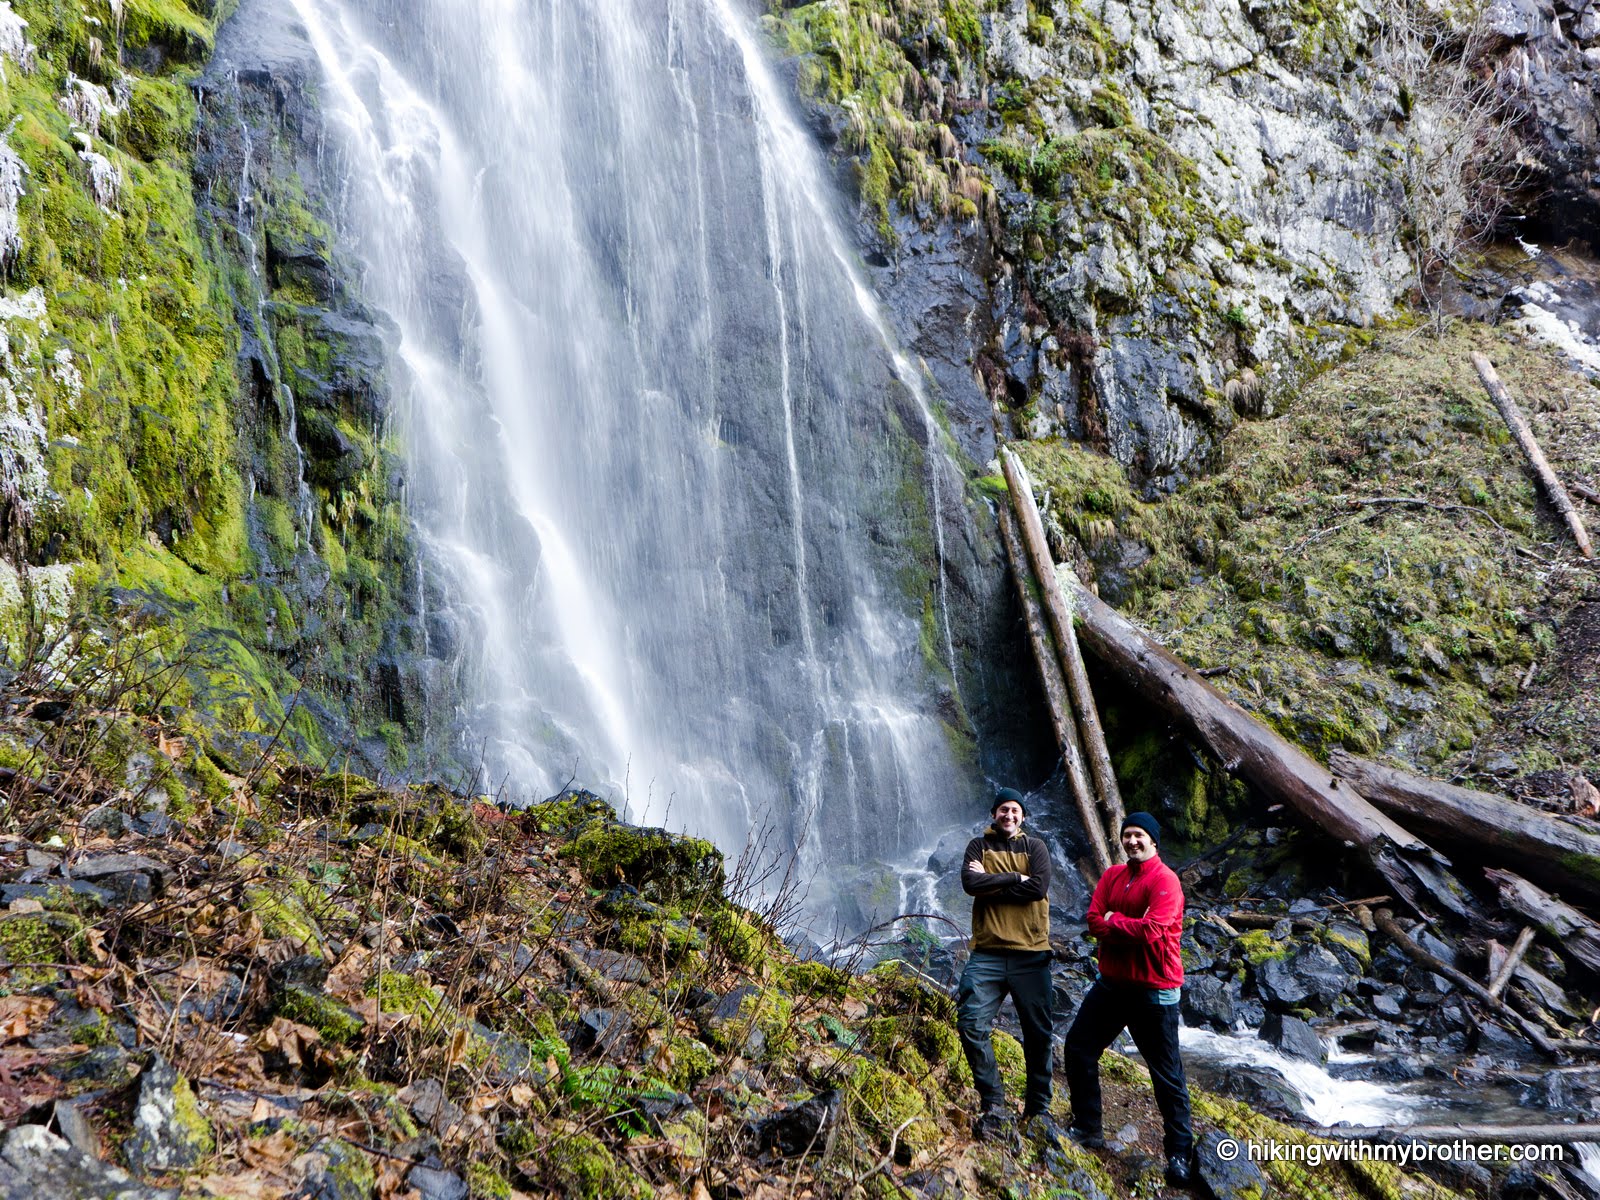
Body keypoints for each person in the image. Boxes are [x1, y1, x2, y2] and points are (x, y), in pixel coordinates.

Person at [1065, 811, 1196, 1185]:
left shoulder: (1166, 881)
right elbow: (1092, 921)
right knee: (1078, 1048)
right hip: (1113, 984)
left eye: (1139, 835)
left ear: (1153, 841)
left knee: (1167, 1076)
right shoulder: (1111, 876)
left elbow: (1152, 931)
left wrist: (1113, 921)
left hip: (1155, 989)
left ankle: (1178, 1154)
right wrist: (1114, 922)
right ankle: (1088, 1127)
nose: (1132, 841)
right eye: (1127, 836)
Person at [957, 786, 1054, 1137]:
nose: (1009, 815)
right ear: (994, 814)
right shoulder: (977, 846)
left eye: (1015, 810)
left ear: (1023, 816)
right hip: (988, 953)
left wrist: (991, 883)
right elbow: (970, 883)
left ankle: (1039, 1107)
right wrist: (1015, 878)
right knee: (970, 1022)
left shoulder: (1036, 847)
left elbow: (1039, 888)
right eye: (1002, 810)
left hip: (1031, 954)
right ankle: (993, 1099)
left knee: (1039, 1034)